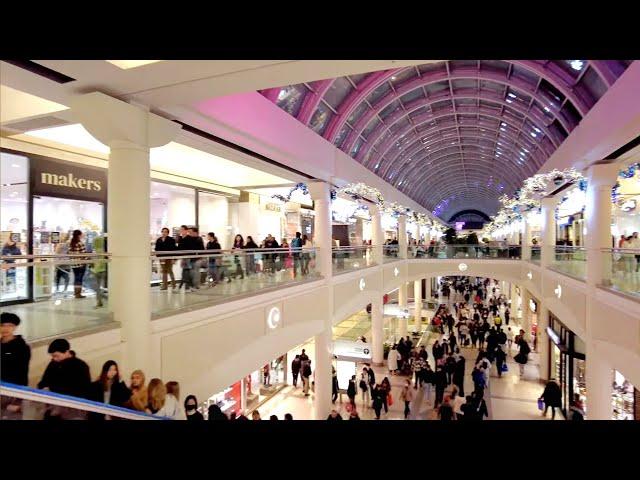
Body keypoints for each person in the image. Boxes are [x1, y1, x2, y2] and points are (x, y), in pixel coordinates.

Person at [37, 338, 91, 419]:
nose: (54, 358)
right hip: (53, 407)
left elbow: (83, 389)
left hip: (72, 409)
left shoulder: (81, 366)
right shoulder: (53, 364)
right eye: (52, 356)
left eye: (56, 356)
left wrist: (52, 388)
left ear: (66, 352)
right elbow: (44, 381)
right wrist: (43, 387)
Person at [0, 313, 31, 386]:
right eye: (2, 325)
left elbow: (20, 372)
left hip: (13, 388)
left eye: (10, 325)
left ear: (15, 327)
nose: (5, 329)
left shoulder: (22, 347)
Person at [68, 229, 88, 299]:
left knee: (76, 278)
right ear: (79, 235)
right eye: (81, 234)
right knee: (79, 279)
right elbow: (84, 254)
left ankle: (76, 292)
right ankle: (78, 294)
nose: (82, 235)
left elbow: (69, 254)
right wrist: (85, 261)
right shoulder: (80, 243)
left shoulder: (71, 243)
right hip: (81, 264)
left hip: (74, 264)